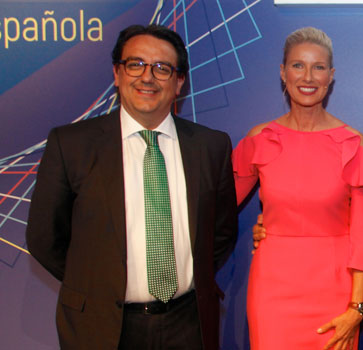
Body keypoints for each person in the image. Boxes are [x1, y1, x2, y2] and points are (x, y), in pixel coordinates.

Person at [25, 24, 238, 349]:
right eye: (135, 64)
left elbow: (221, 234)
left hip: (188, 324)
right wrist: (96, 285)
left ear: (179, 82)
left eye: (162, 68)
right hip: (101, 327)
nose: (147, 77)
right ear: (117, 73)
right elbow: (45, 238)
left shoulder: (211, 147)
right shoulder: (71, 145)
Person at [233, 27, 363, 350]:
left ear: (331, 76)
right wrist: (265, 225)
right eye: (298, 65)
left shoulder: (352, 143)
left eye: (319, 67)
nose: (308, 76)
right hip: (272, 294)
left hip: (336, 291)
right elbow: (212, 207)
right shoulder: (260, 139)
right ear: (283, 72)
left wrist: (357, 308)